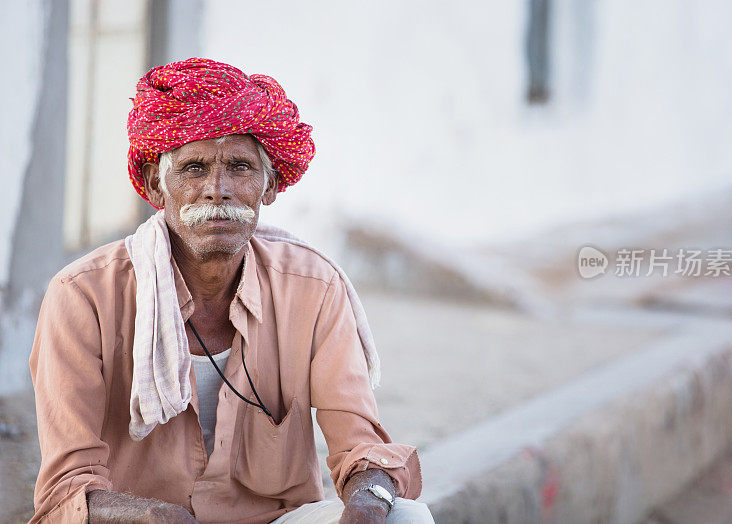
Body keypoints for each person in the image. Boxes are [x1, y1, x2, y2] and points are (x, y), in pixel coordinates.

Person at [29, 58, 433, 523]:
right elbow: (67, 490)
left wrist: (370, 498)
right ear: (155, 187)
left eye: (239, 167)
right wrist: (161, 518)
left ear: (270, 186)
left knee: (406, 517)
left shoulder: (313, 288)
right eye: (194, 169)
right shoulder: (82, 296)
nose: (216, 190)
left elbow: (359, 445)